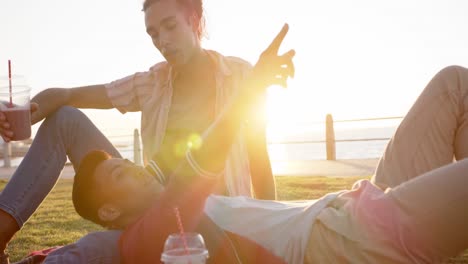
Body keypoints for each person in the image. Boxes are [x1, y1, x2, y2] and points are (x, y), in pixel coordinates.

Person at [44, 63, 468, 263]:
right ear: (110, 211)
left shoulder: (184, 212)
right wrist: (251, 90)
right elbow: (198, 163)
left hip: (351, 206)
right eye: (120, 172)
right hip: (352, 241)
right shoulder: (154, 231)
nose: (134, 166)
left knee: (453, 84)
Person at [0, 0, 279, 262]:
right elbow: (65, 95)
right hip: (151, 207)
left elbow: (259, 159)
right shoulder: (152, 83)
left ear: (194, 21)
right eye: (153, 33)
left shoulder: (242, 75)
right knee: (66, 119)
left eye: (170, 26)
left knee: (96, 249)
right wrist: (21, 117)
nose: (162, 42)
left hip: (212, 219)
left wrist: (270, 228)